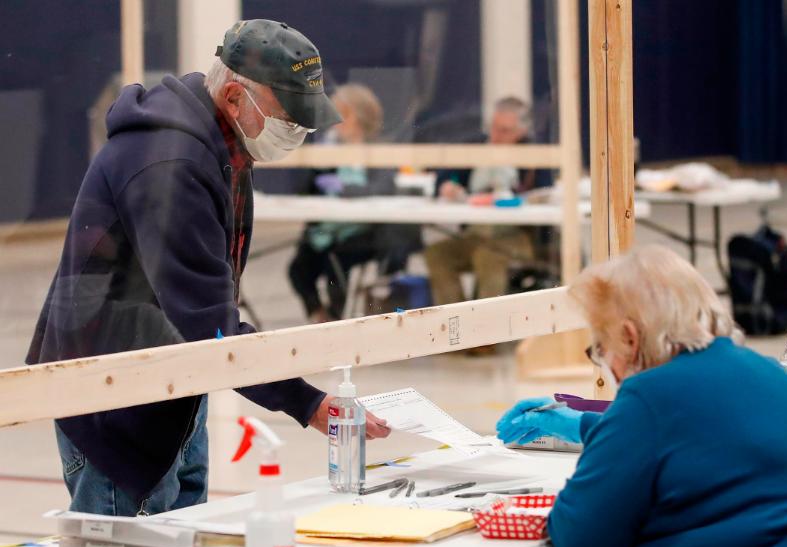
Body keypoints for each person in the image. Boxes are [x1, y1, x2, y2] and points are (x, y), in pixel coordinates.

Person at [27, 20, 391, 517]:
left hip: (175, 382)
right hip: (114, 401)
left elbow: (207, 317)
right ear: (237, 97)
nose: (298, 133)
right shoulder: (168, 162)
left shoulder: (222, 143)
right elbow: (209, 322)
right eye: (289, 118)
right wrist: (307, 403)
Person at [496, 246, 787, 547]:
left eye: (600, 346)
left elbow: (581, 543)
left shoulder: (648, 398)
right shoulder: (773, 375)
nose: (605, 362)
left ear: (629, 337)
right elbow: (713, 439)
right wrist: (592, 427)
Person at [287, 83, 422, 322]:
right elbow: (305, 190)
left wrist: (345, 189)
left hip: (360, 232)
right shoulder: (329, 149)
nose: (336, 121)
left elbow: (381, 189)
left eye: (343, 114)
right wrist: (317, 167)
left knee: (337, 267)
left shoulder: (377, 151)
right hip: (325, 230)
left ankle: (337, 318)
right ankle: (320, 316)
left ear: (359, 118)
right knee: (299, 269)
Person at [424, 97, 553, 309]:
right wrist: (447, 185)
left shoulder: (534, 156)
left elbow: (544, 193)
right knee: (438, 255)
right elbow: (445, 176)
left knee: (487, 257)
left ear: (521, 132)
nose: (496, 136)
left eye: (504, 131)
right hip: (476, 233)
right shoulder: (478, 146)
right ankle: (455, 328)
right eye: (494, 128)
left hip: (515, 236)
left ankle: (484, 338)